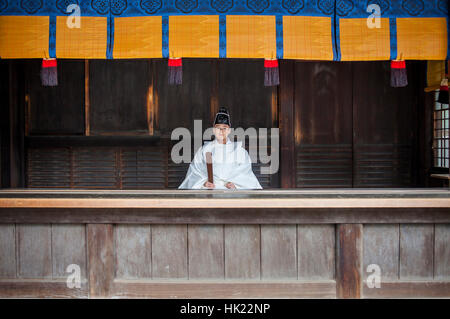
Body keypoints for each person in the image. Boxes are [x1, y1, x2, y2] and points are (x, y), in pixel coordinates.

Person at [178, 107, 263, 190]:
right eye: (218, 128)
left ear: (229, 130)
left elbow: (246, 173)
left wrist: (236, 184)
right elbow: (194, 172)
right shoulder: (204, 150)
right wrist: (203, 183)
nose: (221, 131)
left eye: (225, 128)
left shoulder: (239, 150)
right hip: (210, 193)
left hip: (232, 194)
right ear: (214, 130)